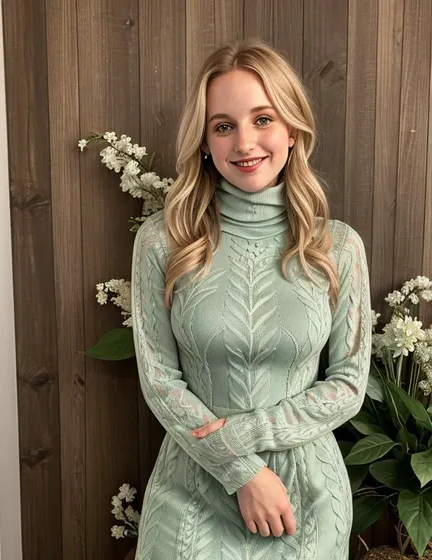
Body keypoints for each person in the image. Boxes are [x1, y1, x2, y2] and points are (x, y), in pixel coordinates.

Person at [130, 38, 372, 560]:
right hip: (192, 489)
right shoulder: (162, 241)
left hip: (303, 498)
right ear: (204, 141)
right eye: (224, 125)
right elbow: (159, 381)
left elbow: (349, 384)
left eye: (263, 119)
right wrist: (239, 469)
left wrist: (244, 437)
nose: (245, 142)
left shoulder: (339, 247)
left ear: (292, 129)